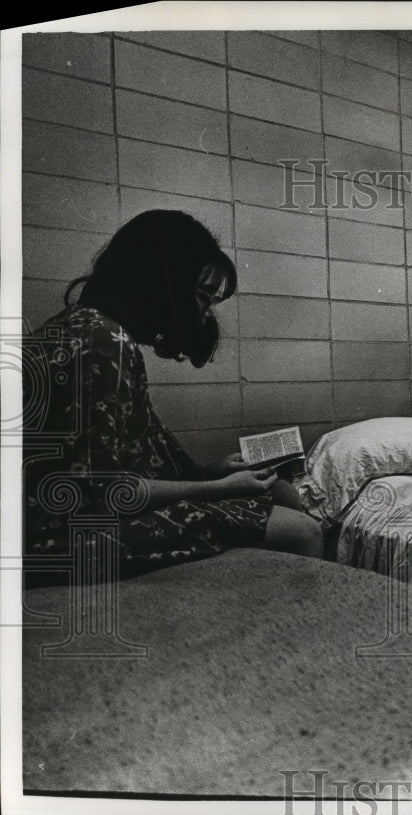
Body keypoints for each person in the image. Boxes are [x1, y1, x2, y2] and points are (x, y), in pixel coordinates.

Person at [23, 210, 323, 585]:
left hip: (60, 523)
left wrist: (208, 471)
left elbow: (115, 463)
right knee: (304, 531)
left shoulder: (82, 326)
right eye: (202, 297)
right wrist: (216, 489)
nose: (206, 313)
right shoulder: (103, 343)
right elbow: (103, 492)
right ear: (161, 284)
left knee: (282, 494)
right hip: (62, 539)